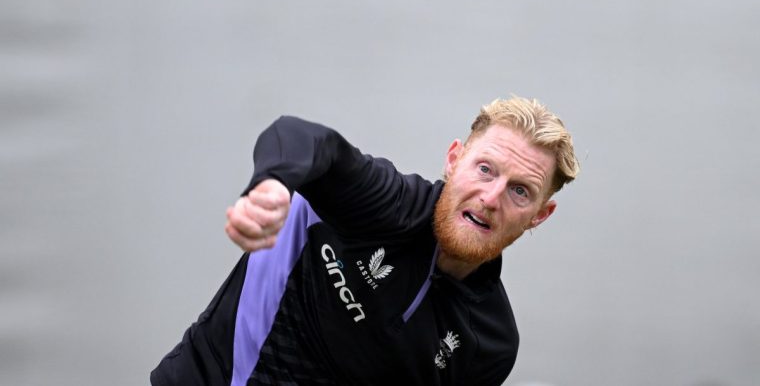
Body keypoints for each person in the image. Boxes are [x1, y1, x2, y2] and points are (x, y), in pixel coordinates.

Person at [151, 95, 579, 386]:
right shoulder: (383, 205)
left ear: (540, 216)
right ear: (454, 160)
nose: (491, 197)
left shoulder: (489, 343)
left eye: (520, 191)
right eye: (485, 169)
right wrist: (274, 184)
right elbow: (301, 136)